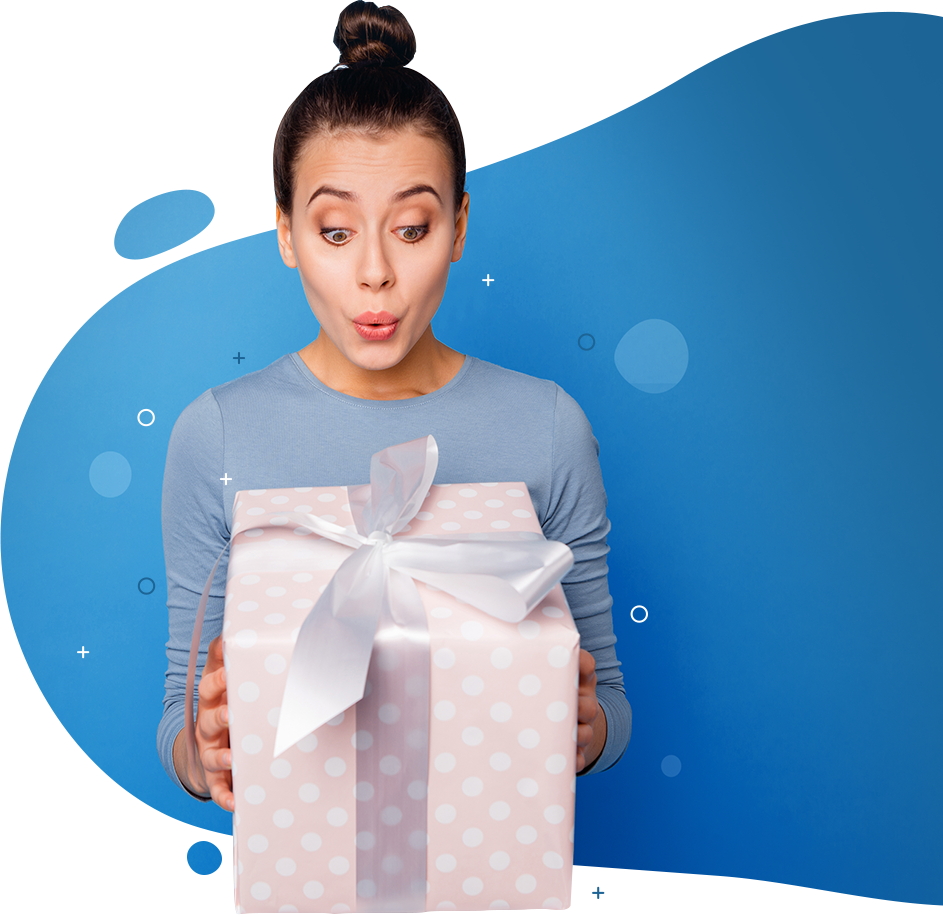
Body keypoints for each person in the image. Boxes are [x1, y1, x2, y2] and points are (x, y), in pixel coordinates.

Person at [158, 0, 631, 814]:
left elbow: (610, 705)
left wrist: (585, 726)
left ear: (457, 227)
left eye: (410, 227)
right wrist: (202, 750)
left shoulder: (548, 427)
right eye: (335, 231)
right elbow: (181, 709)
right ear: (285, 233)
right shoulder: (219, 433)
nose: (374, 272)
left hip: (492, 880)